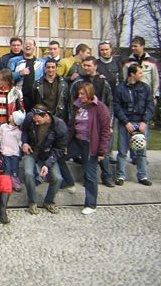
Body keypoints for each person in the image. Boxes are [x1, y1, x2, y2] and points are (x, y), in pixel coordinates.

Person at [68, 56, 114, 187]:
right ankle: (87, 177)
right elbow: (72, 102)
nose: (86, 68)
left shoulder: (103, 82)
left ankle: (106, 176)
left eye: (89, 65)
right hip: (84, 121)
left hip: (100, 119)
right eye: (84, 65)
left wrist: (109, 123)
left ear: (95, 66)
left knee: (101, 150)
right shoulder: (78, 82)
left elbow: (110, 103)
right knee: (86, 151)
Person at [67, 83, 111, 215]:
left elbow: (105, 131)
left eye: (83, 94)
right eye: (79, 94)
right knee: (60, 157)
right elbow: (72, 126)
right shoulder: (77, 106)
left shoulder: (100, 108)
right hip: (77, 141)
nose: (80, 96)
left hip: (91, 144)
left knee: (90, 174)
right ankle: (69, 182)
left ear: (90, 94)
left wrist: (102, 151)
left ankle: (91, 204)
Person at [33, 59, 74, 190]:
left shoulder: (63, 84)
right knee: (44, 147)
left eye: (53, 67)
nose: (50, 70)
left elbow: (68, 104)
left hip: (58, 119)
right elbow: (34, 102)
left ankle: (65, 179)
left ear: (56, 68)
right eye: (48, 67)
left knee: (57, 149)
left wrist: (68, 122)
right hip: (43, 120)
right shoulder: (38, 84)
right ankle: (44, 175)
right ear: (45, 69)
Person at [21, 104, 67, 215]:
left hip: (48, 154)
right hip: (32, 151)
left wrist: (47, 164)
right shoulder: (30, 117)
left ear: (46, 116)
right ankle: (32, 202)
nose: (35, 123)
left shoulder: (60, 126)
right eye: (34, 120)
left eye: (38, 121)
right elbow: (24, 131)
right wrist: (25, 143)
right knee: (28, 173)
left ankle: (49, 201)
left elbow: (59, 149)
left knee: (58, 178)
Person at [114, 64, 155, 186]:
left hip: (140, 122)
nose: (141, 75)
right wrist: (125, 122)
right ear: (132, 74)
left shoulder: (145, 88)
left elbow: (150, 105)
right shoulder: (120, 88)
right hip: (126, 122)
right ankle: (120, 175)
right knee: (122, 151)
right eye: (140, 73)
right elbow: (117, 106)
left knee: (141, 151)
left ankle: (142, 176)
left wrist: (144, 121)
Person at [8, 38, 46, 111]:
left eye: (30, 44)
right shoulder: (14, 61)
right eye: (26, 44)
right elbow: (8, 77)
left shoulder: (41, 63)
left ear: (34, 47)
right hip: (18, 96)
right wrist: (20, 73)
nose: (28, 46)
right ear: (22, 47)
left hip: (36, 97)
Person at [0, 110, 25, 192]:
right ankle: (7, 183)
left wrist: (23, 148)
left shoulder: (18, 131)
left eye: (12, 116)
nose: (10, 115)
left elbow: (20, 141)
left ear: (15, 120)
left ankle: (16, 183)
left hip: (14, 153)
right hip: (4, 152)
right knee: (6, 169)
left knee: (14, 169)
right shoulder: (3, 127)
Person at [122, 36, 160, 101]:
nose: (133, 48)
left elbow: (155, 81)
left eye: (135, 46)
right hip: (132, 97)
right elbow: (124, 80)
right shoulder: (127, 62)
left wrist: (155, 97)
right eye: (132, 46)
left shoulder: (152, 61)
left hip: (147, 97)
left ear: (142, 46)